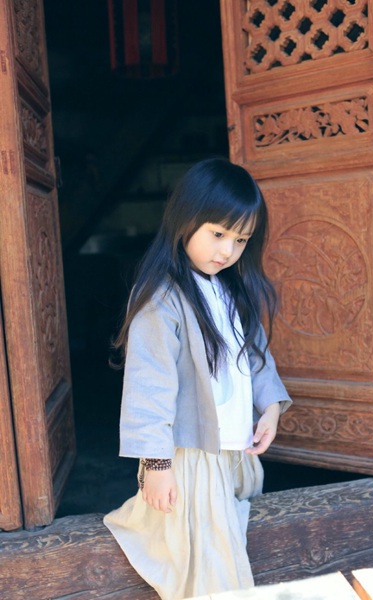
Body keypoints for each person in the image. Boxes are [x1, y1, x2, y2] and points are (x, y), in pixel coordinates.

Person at [103, 158, 292, 600]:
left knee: (221, 543)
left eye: (241, 239)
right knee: (212, 568)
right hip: (191, 454)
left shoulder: (230, 290)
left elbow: (257, 358)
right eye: (218, 233)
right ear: (186, 220)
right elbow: (149, 387)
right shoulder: (162, 296)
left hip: (234, 448)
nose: (227, 251)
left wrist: (270, 408)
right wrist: (156, 465)